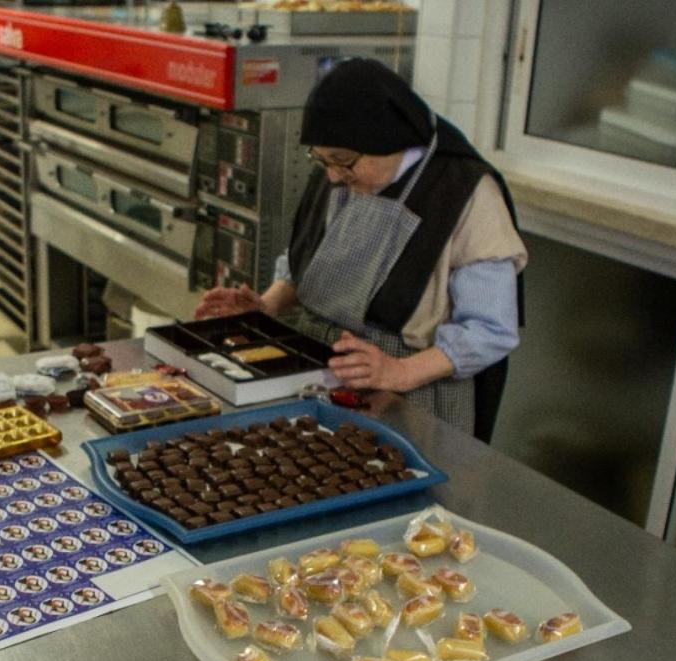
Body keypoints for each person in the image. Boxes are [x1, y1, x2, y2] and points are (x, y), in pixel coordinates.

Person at [195, 58, 527, 441]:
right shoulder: (341, 169)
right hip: (319, 373)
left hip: (413, 398)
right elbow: (306, 263)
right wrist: (266, 308)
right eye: (322, 161)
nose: (333, 175)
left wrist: (398, 372)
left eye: (342, 162)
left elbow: (491, 330)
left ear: (388, 142)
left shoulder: (465, 192)